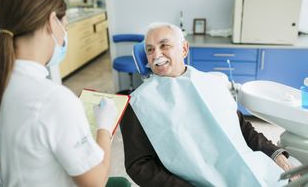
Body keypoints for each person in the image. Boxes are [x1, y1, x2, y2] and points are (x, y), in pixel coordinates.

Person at [120, 22, 295, 186]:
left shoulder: (212, 84)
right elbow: (138, 165)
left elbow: (241, 126)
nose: (156, 55)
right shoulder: (138, 104)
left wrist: (274, 153)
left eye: (164, 46)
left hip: (248, 169)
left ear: (184, 49)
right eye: (150, 50)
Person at [0, 0, 117, 186]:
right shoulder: (53, 99)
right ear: (51, 21)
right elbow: (96, 182)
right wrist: (105, 126)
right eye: (64, 25)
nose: (64, 34)